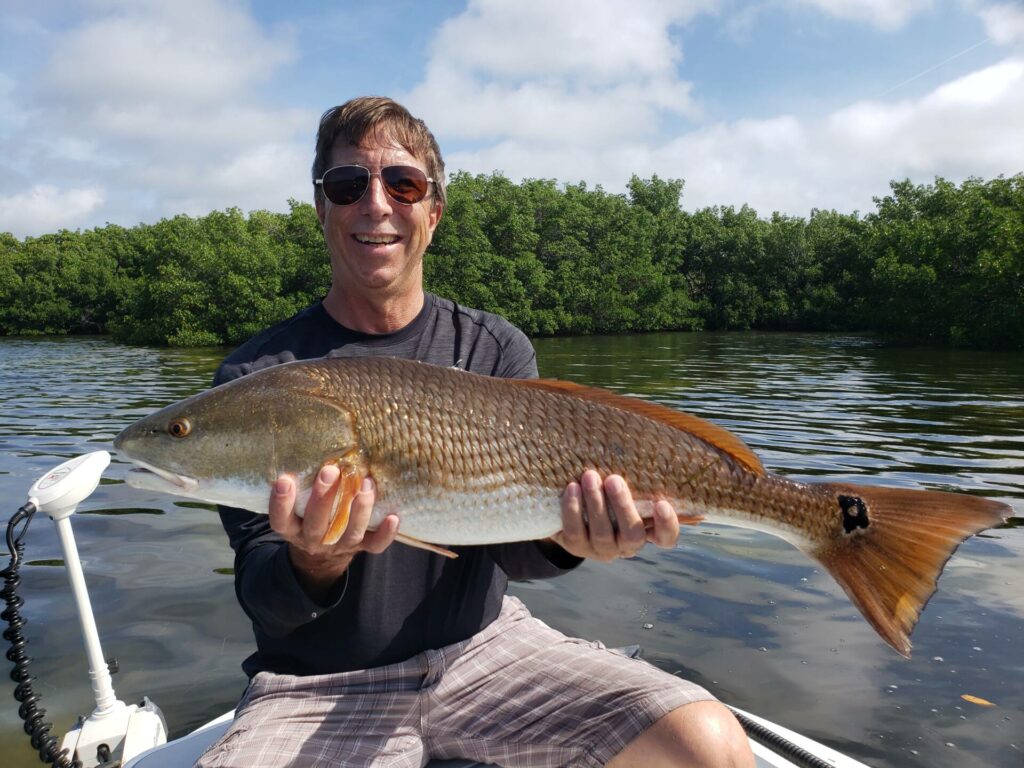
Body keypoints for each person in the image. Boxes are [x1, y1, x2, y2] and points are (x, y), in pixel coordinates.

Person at [197, 96, 754, 768]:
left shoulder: (494, 347)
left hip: (489, 653)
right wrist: (315, 560)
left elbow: (516, 555)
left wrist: (574, 536)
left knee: (708, 745)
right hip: (316, 684)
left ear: (434, 211)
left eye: (403, 184)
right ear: (321, 209)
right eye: (348, 186)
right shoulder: (259, 378)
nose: (376, 205)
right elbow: (265, 594)